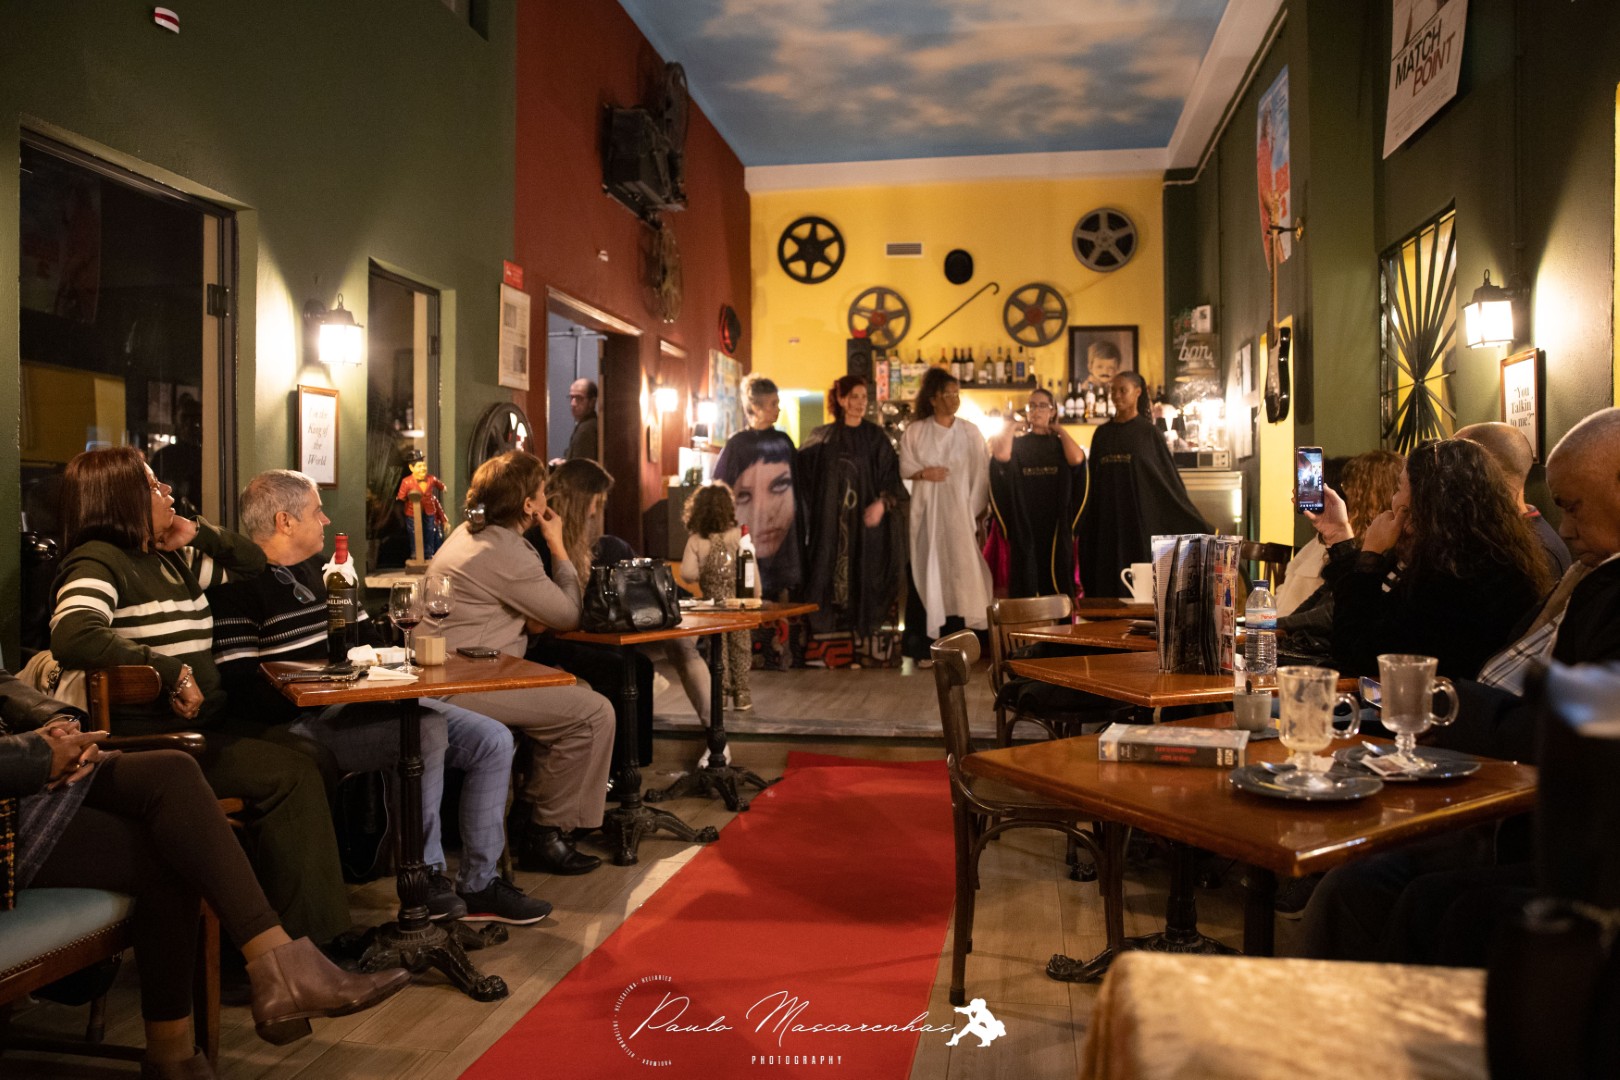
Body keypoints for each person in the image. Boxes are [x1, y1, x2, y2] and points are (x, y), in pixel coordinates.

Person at [1302, 409, 1620, 964]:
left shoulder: (1484, 574)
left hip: (1516, 797)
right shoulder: (1576, 573)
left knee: (1414, 897)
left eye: (1572, 506)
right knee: (1356, 883)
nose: (1565, 528)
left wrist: (1365, 557)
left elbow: (1366, 651)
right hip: (1500, 775)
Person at [2, 670, 410, 1078]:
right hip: (10, 798)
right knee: (174, 847)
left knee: (173, 771)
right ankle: (178, 1052)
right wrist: (37, 755)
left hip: (19, 775)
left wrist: (60, 723)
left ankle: (273, 968)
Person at [209, 470, 548, 925]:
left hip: (360, 702)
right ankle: (425, 877)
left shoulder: (324, 571)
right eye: (316, 512)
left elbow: (367, 642)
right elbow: (242, 690)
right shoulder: (235, 590)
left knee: (493, 739)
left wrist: (383, 661)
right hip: (299, 725)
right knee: (425, 730)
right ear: (284, 522)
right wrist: (331, 683)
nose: (326, 520)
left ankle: (480, 883)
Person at [50, 446, 353, 946]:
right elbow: (74, 634)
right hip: (151, 740)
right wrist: (171, 671)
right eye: (153, 485)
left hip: (206, 725)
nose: (167, 490)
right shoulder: (97, 562)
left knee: (315, 755)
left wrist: (195, 531)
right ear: (121, 499)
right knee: (292, 774)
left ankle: (276, 925)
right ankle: (308, 944)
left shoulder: (171, 558)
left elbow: (253, 563)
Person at [426, 451, 616, 875]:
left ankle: (531, 817)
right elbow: (568, 615)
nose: (547, 497)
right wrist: (557, 544)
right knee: (595, 712)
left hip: (456, 672)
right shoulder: (506, 549)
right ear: (530, 504)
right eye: (543, 491)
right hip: (464, 682)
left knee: (579, 692)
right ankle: (544, 834)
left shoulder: (467, 534)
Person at [1305, 437, 1550, 680]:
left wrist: (1371, 554)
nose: (1393, 499)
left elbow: (1357, 652)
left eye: (1399, 489)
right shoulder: (1467, 555)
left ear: (1424, 501)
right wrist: (1339, 533)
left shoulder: (1454, 579)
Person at [528, 459, 710, 765]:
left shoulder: (603, 546)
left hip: (586, 636)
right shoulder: (541, 542)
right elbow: (545, 613)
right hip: (550, 640)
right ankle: (619, 767)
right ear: (584, 499)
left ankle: (632, 765)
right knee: (625, 667)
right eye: (597, 500)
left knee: (640, 663)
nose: (598, 509)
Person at [1076, 371, 1209, 598]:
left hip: (1138, 522)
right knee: (1106, 577)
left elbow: (1166, 481)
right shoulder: (1101, 434)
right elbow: (1092, 481)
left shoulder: (1149, 433)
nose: (1116, 396)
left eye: (1123, 390)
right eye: (1113, 391)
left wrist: (1192, 519)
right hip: (1106, 521)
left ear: (1138, 392)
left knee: (1140, 584)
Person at [798, 375, 904, 639]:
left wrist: (882, 504)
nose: (860, 402)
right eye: (854, 396)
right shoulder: (821, 438)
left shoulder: (875, 438)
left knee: (863, 576)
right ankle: (828, 638)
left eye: (864, 397)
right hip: (829, 528)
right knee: (826, 574)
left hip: (864, 529)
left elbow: (892, 479)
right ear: (841, 399)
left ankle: (861, 640)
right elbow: (802, 480)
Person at [1275, 451, 1403, 665]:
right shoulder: (1354, 542)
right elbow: (1324, 597)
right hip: (1317, 651)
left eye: (1349, 485)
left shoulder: (1389, 550)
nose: (1346, 493)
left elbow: (1334, 615)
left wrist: (1271, 626)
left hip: (1337, 665)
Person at [899, 368, 992, 662]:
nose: (954, 399)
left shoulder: (970, 432)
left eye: (956, 393)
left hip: (960, 517)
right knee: (929, 571)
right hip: (927, 517)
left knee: (961, 575)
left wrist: (972, 512)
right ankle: (924, 645)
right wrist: (923, 473)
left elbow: (981, 474)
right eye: (947, 394)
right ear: (933, 398)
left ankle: (962, 645)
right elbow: (905, 467)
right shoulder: (916, 431)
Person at [988, 386, 1087, 598]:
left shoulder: (1060, 444)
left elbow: (1078, 460)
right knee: (1026, 575)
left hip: (1056, 521)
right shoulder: (1018, 444)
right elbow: (1000, 456)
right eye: (1032, 406)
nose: (1036, 410)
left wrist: (1058, 429)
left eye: (1043, 406)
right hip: (1025, 520)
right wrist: (1014, 425)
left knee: (1057, 575)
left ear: (1052, 411)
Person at [714, 374, 801, 599]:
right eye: (773, 404)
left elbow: (799, 487)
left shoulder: (784, 442)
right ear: (755, 407)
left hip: (782, 543)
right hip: (745, 533)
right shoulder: (736, 446)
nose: (778, 409)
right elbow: (720, 492)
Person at [1454, 420, 1572, 577]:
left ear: (1484, 469)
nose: (1446, 475)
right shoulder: (1494, 534)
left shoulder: (1537, 553)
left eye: (1454, 463)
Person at [681, 483, 752, 711]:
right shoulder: (739, 536)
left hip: (713, 607)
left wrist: (704, 571)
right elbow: (752, 570)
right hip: (739, 603)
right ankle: (742, 694)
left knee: (717, 648)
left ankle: (721, 694)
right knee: (741, 646)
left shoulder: (696, 540)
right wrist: (756, 596)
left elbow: (687, 574)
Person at [394, 448, 448, 560]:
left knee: (430, 530)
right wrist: (400, 501)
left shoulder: (431, 479)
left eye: (423, 465)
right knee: (414, 532)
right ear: (411, 468)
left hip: (429, 510)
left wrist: (443, 488)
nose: (423, 468)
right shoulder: (406, 482)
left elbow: (439, 484)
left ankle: (429, 552)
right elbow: (401, 496)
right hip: (412, 512)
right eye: (419, 466)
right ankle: (415, 552)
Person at [564, 378, 600, 461]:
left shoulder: (587, 429)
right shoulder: (585, 425)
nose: (573, 403)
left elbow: (581, 466)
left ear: (592, 402)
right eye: (571, 397)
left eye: (579, 398)